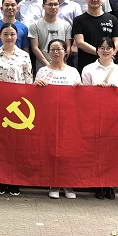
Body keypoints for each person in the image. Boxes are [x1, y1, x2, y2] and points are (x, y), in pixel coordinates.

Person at [0, 22, 33, 197]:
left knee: (17, 145)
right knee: (0, 143)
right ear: (0, 36)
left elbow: (28, 80)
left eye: (12, 34)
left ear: (17, 36)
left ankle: (15, 180)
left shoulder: (24, 56)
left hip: (19, 106)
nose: (9, 37)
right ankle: (0, 179)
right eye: (5, 34)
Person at [81, 37, 118, 200]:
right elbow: (85, 94)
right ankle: (98, 185)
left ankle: (110, 184)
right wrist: (97, 89)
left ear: (114, 50)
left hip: (114, 117)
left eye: (109, 48)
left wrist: (115, 90)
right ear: (97, 50)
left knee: (111, 150)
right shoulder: (88, 69)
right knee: (96, 150)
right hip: (94, 114)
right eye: (102, 47)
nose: (105, 50)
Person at [34, 39, 81, 200]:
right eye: (52, 50)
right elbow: (34, 96)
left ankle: (68, 184)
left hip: (68, 118)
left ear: (65, 52)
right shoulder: (42, 72)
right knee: (51, 151)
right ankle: (53, 183)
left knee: (68, 151)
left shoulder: (73, 72)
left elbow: (81, 96)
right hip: (48, 118)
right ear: (48, 52)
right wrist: (36, 85)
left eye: (59, 49)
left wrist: (79, 89)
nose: (56, 52)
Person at [72, 0, 118, 73]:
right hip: (87, 62)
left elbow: (117, 40)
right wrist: (100, 53)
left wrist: (110, 53)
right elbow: (80, 42)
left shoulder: (112, 19)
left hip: (110, 62)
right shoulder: (79, 20)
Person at [29, 0, 72, 73]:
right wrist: (48, 65)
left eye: (56, 4)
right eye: (50, 4)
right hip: (42, 66)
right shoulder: (34, 25)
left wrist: (61, 62)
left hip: (62, 66)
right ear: (43, 6)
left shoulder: (66, 25)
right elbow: (35, 47)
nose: (53, 7)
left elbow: (68, 46)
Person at [0, 0, 29, 66]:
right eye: (7, 5)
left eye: (13, 5)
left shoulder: (23, 28)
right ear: (1, 8)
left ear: (17, 8)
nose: (10, 8)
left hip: (17, 65)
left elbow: (25, 48)